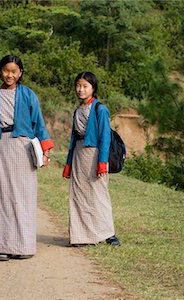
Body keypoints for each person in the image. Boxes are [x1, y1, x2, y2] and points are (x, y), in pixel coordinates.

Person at [0, 54, 54, 261]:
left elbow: (38, 123)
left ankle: (23, 246)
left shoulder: (29, 95)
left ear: (20, 73)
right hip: (0, 147)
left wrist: (46, 151)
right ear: (0, 71)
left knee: (23, 197)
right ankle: (3, 246)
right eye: (6, 70)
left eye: (14, 71)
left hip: (22, 147)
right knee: (2, 198)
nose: (9, 75)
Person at [62, 71, 121, 247]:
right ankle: (82, 236)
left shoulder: (99, 109)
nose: (81, 89)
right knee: (78, 195)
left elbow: (105, 137)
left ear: (93, 88)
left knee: (98, 194)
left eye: (85, 86)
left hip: (95, 155)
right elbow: (74, 139)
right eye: (78, 86)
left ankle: (109, 234)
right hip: (79, 155)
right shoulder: (77, 110)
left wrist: (102, 162)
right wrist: (68, 163)